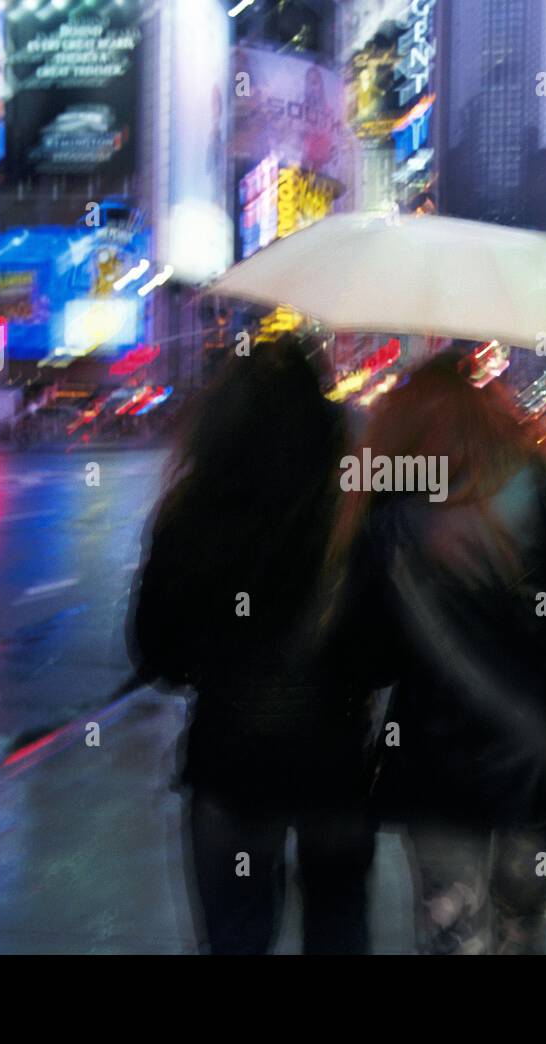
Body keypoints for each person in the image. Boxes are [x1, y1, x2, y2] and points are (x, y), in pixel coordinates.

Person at [333, 354, 546, 954]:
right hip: (540, 758)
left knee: (454, 933)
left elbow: (366, 657)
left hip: (437, 768)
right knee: (524, 927)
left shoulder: (388, 508)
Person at [128, 335, 376, 955]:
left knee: (236, 935)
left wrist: (221, 664)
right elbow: (383, 652)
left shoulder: (188, 513)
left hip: (230, 762)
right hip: (334, 765)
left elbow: (156, 652)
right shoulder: (352, 514)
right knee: (338, 925)